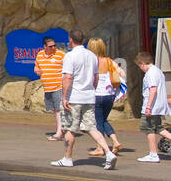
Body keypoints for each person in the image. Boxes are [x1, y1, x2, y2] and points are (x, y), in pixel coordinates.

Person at [51, 30, 116, 170]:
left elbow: (67, 77)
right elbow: (96, 77)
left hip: (74, 97)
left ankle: (67, 158)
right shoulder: (92, 56)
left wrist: (64, 97)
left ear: (70, 40)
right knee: (91, 127)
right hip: (89, 97)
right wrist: (92, 89)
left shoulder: (70, 56)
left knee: (70, 128)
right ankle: (108, 153)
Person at [87, 38, 124, 155]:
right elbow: (122, 73)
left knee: (98, 122)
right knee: (103, 120)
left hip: (97, 95)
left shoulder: (91, 61)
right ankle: (115, 141)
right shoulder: (109, 61)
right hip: (110, 95)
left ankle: (100, 148)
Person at [135, 51, 171, 162]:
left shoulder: (150, 73)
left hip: (152, 106)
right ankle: (153, 154)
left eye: (140, 66)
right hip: (158, 106)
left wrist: (148, 107)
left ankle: (153, 154)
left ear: (142, 63)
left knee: (148, 128)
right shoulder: (158, 71)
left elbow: (153, 89)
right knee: (158, 128)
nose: (141, 69)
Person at [34, 36, 65, 141]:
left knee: (58, 110)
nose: (53, 47)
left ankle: (59, 133)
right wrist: (37, 70)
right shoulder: (40, 55)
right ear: (45, 46)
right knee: (55, 110)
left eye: (54, 45)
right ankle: (63, 130)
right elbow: (36, 67)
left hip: (59, 86)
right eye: (50, 46)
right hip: (48, 88)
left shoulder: (61, 55)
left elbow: (69, 68)